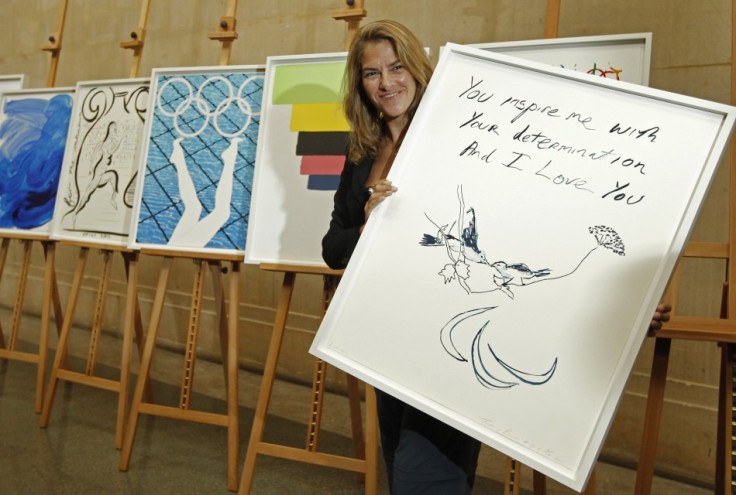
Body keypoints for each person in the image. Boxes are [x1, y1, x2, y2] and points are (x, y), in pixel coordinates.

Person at [322, 19, 671, 494]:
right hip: (388, 335)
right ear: (359, 83)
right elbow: (332, 248)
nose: (387, 83)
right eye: (371, 73)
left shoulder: (463, 134)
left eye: (397, 67)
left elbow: (537, 225)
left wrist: (628, 303)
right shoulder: (362, 151)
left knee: (423, 474)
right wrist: (369, 222)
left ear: (418, 69)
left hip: (453, 333)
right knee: (403, 467)